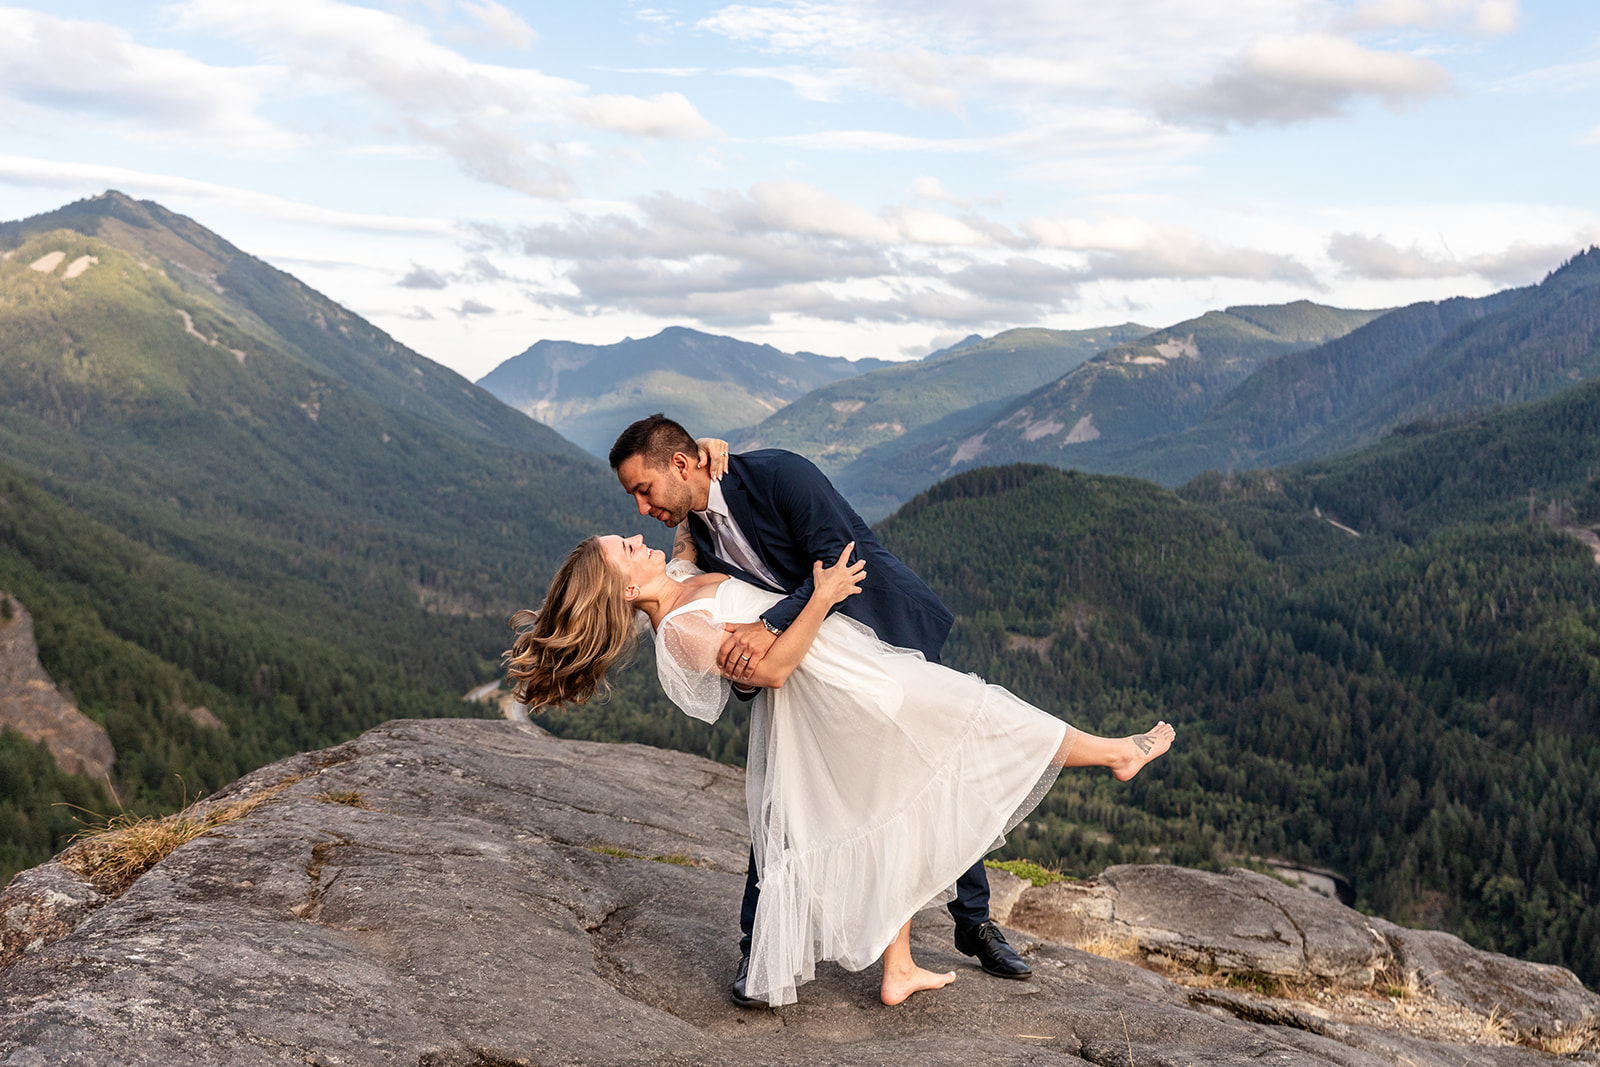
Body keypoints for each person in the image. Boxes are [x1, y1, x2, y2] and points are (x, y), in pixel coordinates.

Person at [504, 532, 1174, 1007]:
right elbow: (770, 667)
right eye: (624, 546)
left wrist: (702, 470)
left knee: (897, 804)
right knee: (983, 712)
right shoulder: (678, 629)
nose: (635, 535)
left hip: (847, 674)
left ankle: (901, 966)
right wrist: (820, 594)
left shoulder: (676, 582)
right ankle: (1116, 753)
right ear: (624, 585)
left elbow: (683, 537)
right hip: (837, 687)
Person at [607, 414, 1024, 1005]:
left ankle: (974, 921)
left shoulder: (779, 474)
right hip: (807, 673)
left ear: (679, 466)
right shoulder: (694, 535)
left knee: (936, 768)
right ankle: (762, 947)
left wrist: (768, 625)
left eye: (643, 490)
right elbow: (701, 604)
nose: (642, 508)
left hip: (879, 634)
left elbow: (839, 559)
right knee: (784, 800)